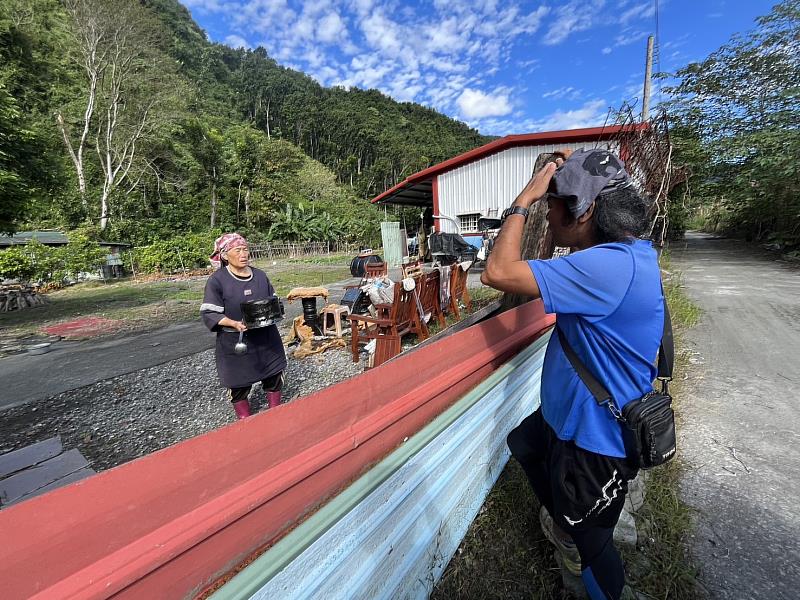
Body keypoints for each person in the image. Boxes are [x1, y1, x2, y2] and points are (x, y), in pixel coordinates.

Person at [481, 148, 664, 600]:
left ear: (586, 212)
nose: (549, 207)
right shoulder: (625, 255)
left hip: (594, 441)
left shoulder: (605, 267)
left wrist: (525, 196)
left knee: (593, 543)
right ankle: (567, 519)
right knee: (522, 442)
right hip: (570, 422)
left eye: (555, 200)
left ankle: (603, 586)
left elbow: (496, 272)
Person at [201, 233, 287, 419]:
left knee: (273, 375)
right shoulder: (217, 280)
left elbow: (273, 300)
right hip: (236, 340)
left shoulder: (260, 276)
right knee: (238, 384)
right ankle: (245, 421)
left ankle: (275, 413)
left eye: (245, 249)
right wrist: (233, 323)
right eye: (237, 250)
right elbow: (210, 312)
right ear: (224, 255)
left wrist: (275, 311)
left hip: (266, 337)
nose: (243, 254)